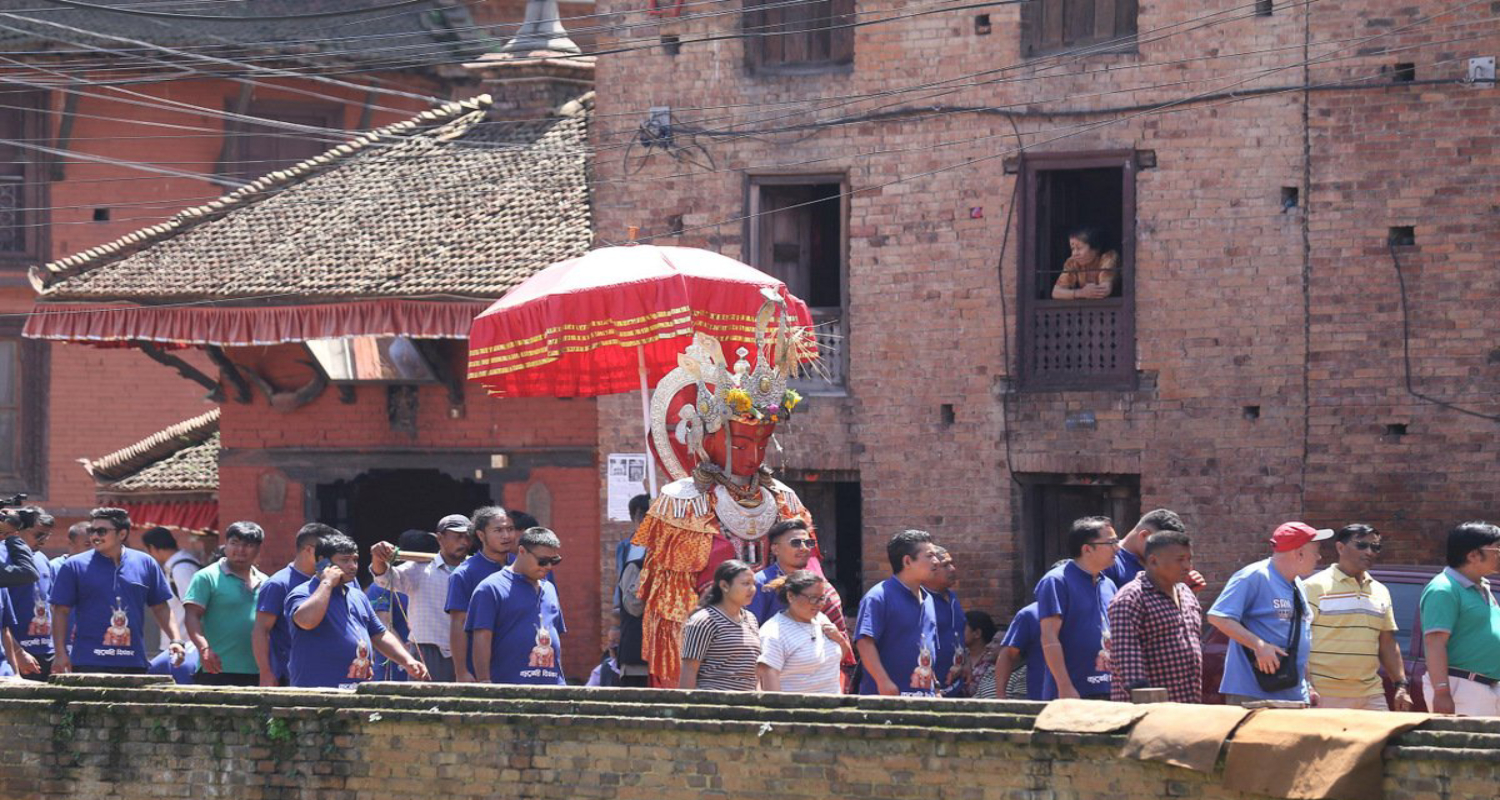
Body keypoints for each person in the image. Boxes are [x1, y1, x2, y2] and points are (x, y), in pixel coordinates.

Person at [632, 297, 818, 688]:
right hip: (715, 649)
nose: (754, 457)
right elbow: (670, 606)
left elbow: (810, 575)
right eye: (741, 445)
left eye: (762, 445)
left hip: (783, 644)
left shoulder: (784, 499)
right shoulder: (681, 503)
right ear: (710, 440)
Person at [1206, 521, 1330, 706]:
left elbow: (1298, 638)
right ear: (1299, 553)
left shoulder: (1297, 584)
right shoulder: (1253, 576)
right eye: (1316, 551)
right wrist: (1259, 646)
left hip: (1293, 692)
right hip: (1253, 693)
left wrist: (1308, 685)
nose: (1319, 557)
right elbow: (1218, 617)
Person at [49, 508, 185, 674]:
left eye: (101, 531)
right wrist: (60, 653)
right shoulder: (74, 566)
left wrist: (176, 640)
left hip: (134, 662)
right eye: (92, 531)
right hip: (88, 661)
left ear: (122, 534)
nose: (95, 536)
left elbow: (160, 607)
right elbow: (60, 611)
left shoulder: (146, 563)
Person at [285, 533, 428, 688]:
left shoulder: (357, 596)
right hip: (318, 691)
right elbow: (306, 621)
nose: (352, 566)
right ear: (322, 561)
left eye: (355, 560)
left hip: (356, 689)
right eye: (345, 560)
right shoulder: (303, 593)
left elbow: (379, 634)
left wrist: (407, 661)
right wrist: (327, 582)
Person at [1304, 524, 1411, 711]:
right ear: (1340, 548)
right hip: (1324, 694)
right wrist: (1307, 685)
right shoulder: (1313, 587)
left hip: (1371, 694)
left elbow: (1387, 643)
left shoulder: (1380, 591)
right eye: (1361, 545)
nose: (1369, 552)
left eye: (1375, 547)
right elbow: (1298, 641)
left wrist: (1401, 685)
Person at [747, 519, 854, 683]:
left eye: (808, 543)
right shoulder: (762, 584)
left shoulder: (817, 583)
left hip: (820, 676)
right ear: (775, 549)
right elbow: (751, 634)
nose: (804, 548)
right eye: (796, 543)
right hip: (780, 678)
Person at [1107, 530, 1204, 704]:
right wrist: (1146, 703)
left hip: (1188, 703)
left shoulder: (1186, 593)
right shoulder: (1131, 598)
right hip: (1148, 709)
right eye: (1180, 560)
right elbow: (1126, 658)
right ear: (1153, 561)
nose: (1187, 566)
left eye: (1189, 559)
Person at [371, 515, 472, 682]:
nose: (464, 542)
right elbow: (384, 577)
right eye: (458, 536)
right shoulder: (420, 569)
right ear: (440, 538)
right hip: (429, 651)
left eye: (468, 537)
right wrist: (378, 557)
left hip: (470, 650)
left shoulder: (476, 569)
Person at [467, 527, 567, 685]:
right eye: (542, 561)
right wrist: (484, 682)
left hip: (551, 685)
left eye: (554, 561)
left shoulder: (549, 589)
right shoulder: (491, 588)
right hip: (508, 685)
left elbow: (556, 637)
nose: (548, 566)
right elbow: (481, 637)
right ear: (522, 551)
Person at [1419, 521, 1500, 716]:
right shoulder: (1443, 589)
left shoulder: (1481, 586)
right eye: (1497, 549)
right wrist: (1441, 692)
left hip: (1486, 686)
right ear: (1473, 555)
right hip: (1462, 687)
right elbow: (1435, 643)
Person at [1036, 516, 1120, 700]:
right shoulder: (1056, 581)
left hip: (1109, 688)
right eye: (1111, 542)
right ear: (1087, 549)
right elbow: (1049, 637)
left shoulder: (1109, 585)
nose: (1117, 548)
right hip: (1073, 692)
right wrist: (1064, 686)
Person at [854, 530, 940, 697]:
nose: (936, 561)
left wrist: (936, 687)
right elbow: (864, 642)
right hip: (887, 697)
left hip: (924, 698)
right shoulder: (878, 596)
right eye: (929, 556)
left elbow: (926, 649)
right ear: (907, 561)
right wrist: (883, 681)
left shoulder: (928, 599)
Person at [182, 521, 268, 686]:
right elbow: (192, 615)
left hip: (257, 670)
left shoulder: (266, 582)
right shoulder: (207, 577)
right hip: (216, 669)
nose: (240, 550)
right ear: (226, 545)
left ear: (258, 549)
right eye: (234, 543)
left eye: (248, 545)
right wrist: (204, 648)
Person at [253, 523, 330, 687]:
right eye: (328, 551)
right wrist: (265, 672)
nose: (332, 557)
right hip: (291, 676)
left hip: (329, 672)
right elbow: (261, 630)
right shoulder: (278, 584)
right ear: (310, 550)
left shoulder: (336, 581)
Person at [446, 506, 517, 682]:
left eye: (510, 529)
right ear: (481, 535)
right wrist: (461, 671)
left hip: (520, 665)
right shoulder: (464, 574)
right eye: (498, 530)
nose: (506, 536)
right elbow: (458, 623)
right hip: (483, 670)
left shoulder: (524, 567)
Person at [756, 570, 850, 694]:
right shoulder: (773, 633)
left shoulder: (821, 619)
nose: (819, 604)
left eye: (822, 598)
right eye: (813, 598)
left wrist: (840, 640)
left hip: (833, 704)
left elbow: (836, 658)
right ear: (791, 596)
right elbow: (771, 691)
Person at [680, 559, 761, 691]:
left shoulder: (751, 619)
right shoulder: (704, 621)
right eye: (746, 584)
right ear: (724, 586)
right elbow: (689, 669)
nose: (752, 589)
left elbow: (754, 671)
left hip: (747, 701)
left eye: (753, 584)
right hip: (712, 700)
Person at [2, 505, 55, 679]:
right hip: (17, 654)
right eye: (38, 535)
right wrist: (18, 653)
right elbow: (3, 620)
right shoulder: (4, 558)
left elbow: (52, 607)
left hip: (46, 652)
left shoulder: (42, 558)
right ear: (18, 530)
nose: (43, 541)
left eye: (47, 535)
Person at [141, 526, 203, 656]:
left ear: (152, 548)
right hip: (178, 645)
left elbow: (196, 607)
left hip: (186, 648)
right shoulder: (176, 567)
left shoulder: (182, 569)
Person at [1103, 509, 1191, 587]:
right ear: (1144, 535)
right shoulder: (1109, 561)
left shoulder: (1158, 563)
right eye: (1163, 546)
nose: (1166, 554)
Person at [923, 545, 967, 695]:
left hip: (956, 685)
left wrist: (966, 660)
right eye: (946, 565)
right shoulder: (920, 600)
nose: (952, 569)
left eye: (952, 564)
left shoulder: (952, 597)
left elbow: (959, 632)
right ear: (931, 568)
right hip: (931, 688)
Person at [993, 602, 1045, 700]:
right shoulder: (1030, 614)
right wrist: (1000, 697)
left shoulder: (1077, 610)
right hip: (1041, 696)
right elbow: (1008, 654)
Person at [1050, 226, 1118, 301]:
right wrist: (1081, 293)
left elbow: (1105, 290)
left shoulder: (1108, 257)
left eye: (1079, 248)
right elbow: (1056, 292)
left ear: (1096, 249)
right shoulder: (1072, 262)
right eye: (1072, 249)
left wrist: (1089, 291)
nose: (1074, 253)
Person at [959, 610, 998, 698]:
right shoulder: (959, 656)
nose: (958, 633)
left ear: (977, 633)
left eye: (962, 629)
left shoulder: (991, 659)